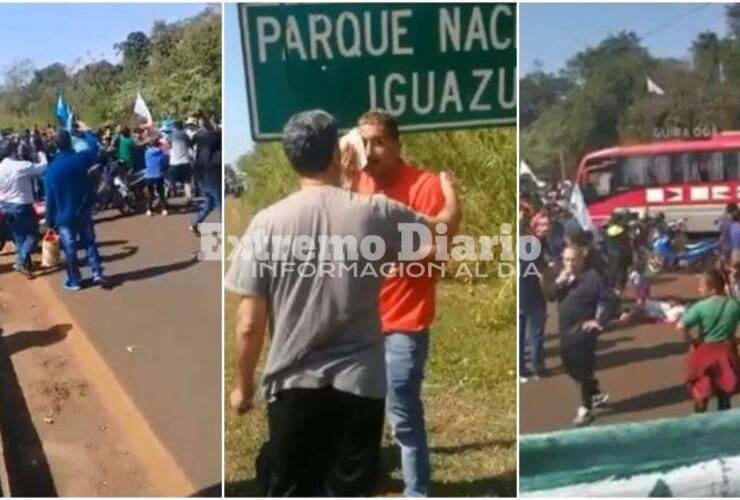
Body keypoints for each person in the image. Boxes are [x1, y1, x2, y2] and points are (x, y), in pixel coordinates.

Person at [226, 109, 460, 497]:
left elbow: (249, 323)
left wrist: (243, 388)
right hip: (360, 388)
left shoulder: (265, 224)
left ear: (291, 159)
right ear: (338, 154)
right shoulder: (376, 214)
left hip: (292, 388)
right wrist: (449, 194)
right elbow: (443, 229)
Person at [349, 111, 460, 497]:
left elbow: (439, 255)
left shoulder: (424, 187)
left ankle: (417, 491)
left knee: (404, 418)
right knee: (357, 415)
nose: (370, 151)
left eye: (378, 141)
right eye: (364, 142)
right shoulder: (354, 185)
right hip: (357, 324)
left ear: (398, 145)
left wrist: (386, 257)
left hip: (403, 324)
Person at [545, 245, 619, 426]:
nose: (569, 264)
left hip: (584, 334)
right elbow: (550, 296)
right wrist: (559, 282)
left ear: (581, 259)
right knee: (569, 367)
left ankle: (586, 409)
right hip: (565, 332)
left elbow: (612, 301)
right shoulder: (563, 277)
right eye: (566, 260)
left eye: (573, 260)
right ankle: (595, 394)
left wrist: (598, 321)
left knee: (583, 368)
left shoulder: (593, 278)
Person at [44, 122, 108, 291]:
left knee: (70, 248)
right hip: (84, 209)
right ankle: (97, 273)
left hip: (64, 216)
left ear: (55, 147)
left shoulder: (51, 171)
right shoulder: (82, 158)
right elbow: (94, 145)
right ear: (71, 142)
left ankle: (74, 280)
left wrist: (50, 220)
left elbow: (50, 199)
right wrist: (86, 131)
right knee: (90, 242)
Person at [678, 270, 740, 412]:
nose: (699, 289)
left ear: (712, 290)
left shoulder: (700, 307)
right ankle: (723, 427)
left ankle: (699, 427)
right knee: (724, 394)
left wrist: (691, 340)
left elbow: (681, 326)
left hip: (704, 354)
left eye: (702, 286)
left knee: (701, 395)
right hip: (726, 352)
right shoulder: (735, 305)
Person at [0, 137, 48, 275]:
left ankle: (22, 263)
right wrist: (42, 155)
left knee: (18, 237)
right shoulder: (21, 166)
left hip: (6, 206)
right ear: (13, 151)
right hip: (22, 206)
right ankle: (21, 260)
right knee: (33, 235)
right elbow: (42, 168)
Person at [190, 119, 221, 235]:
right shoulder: (216, 140)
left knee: (209, 203)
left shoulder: (200, 141)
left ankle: (195, 223)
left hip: (202, 176)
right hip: (212, 175)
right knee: (219, 204)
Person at [144, 137, 170, 216]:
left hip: (148, 175)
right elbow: (164, 163)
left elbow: (146, 162)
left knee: (150, 193)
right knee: (161, 192)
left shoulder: (147, 153)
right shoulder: (161, 153)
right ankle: (164, 209)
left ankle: (149, 209)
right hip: (159, 174)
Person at [168, 120, 193, 200]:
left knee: (171, 182)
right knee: (187, 182)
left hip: (174, 162)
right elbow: (190, 145)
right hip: (185, 161)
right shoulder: (185, 135)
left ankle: (170, 196)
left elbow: (167, 146)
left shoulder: (171, 136)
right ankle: (189, 197)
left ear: (174, 127)